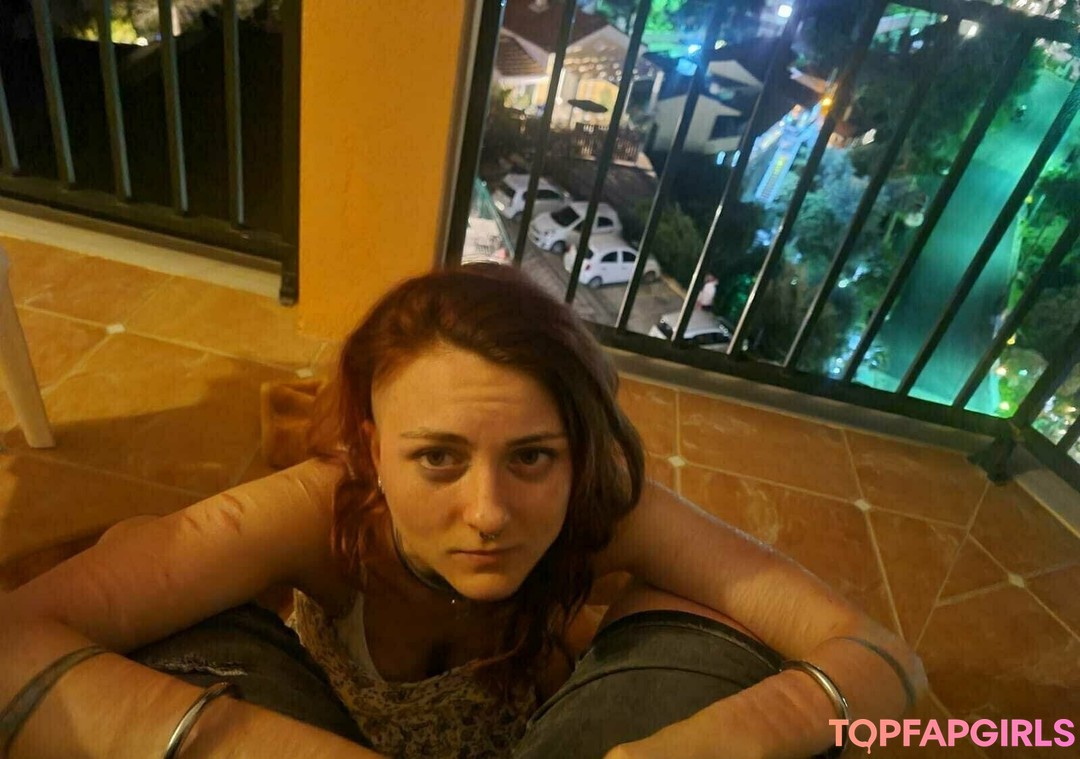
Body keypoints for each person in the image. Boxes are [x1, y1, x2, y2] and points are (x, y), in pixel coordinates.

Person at [0, 263, 925, 759]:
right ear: (370, 448)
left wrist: (732, 734)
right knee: (162, 614)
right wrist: (235, 739)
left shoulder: (607, 503)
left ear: (578, 450)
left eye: (532, 456)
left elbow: (882, 655)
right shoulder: (319, 512)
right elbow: (16, 637)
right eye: (438, 457)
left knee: (712, 627)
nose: (488, 512)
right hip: (312, 728)